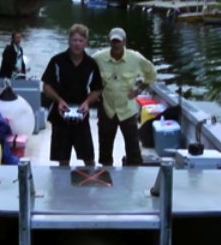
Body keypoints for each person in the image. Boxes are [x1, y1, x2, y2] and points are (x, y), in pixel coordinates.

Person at [92, 27, 157, 166]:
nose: (116, 44)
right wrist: (93, 91)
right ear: (109, 41)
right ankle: (106, 173)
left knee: (133, 147)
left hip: (127, 110)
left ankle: (132, 174)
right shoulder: (98, 58)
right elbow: (85, 72)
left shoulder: (136, 58)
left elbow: (151, 74)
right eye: (113, 41)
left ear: (124, 42)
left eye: (118, 41)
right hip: (106, 109)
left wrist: (139, 89)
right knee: (104, 147)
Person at [41, 24, 103, 166]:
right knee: (63, 159)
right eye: (74, 40)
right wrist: (59, 100)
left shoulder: (91, 64)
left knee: (89, 158)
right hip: (60, 114)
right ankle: (62, 187)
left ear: (86, 42)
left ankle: (89, 184)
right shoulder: (57, 61)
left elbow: (97, 90)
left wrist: (87, 102)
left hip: (82, 114)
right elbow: (46, 86)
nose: (77, 44)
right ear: (69, 40)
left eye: (81, 41)